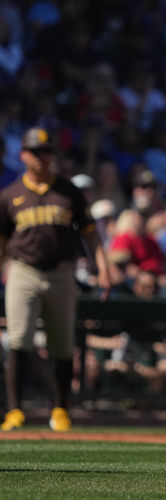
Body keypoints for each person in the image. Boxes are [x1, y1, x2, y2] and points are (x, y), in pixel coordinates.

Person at [0, 127, 111, 432]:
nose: (42, 158)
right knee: (19, 339)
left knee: (62, 344)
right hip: (23, 270)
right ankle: (15, 410)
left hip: (62, 272)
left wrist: (103, 268)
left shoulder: (68, 191)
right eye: (36, 152)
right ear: (23, 155)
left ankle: (61, 409)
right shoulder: (10, 195)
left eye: (47, 151)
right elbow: (2, 240)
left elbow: (91, 233)